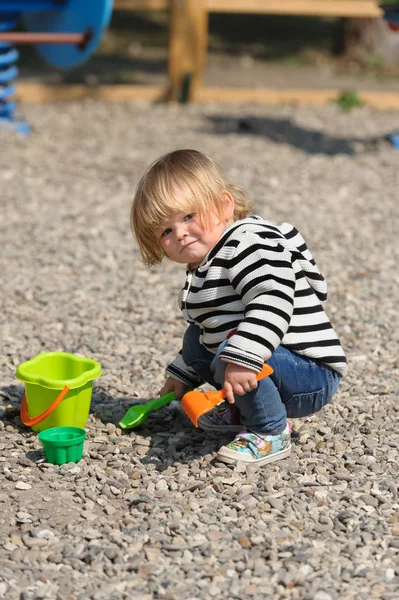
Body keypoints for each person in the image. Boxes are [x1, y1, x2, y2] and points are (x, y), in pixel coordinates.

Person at [130, 149, 347, 466]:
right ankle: (244, 407)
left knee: (235, 348)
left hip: (309, 374)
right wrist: (182, 375)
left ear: (224, 205)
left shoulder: (248, 243)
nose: (180, 233)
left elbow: (272, 299)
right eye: (166, 231)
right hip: (274, 362)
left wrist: (245, 358)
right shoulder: (205, 262)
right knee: (196, 338)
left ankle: (270, 431)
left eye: (189, 216)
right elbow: (210, 328)